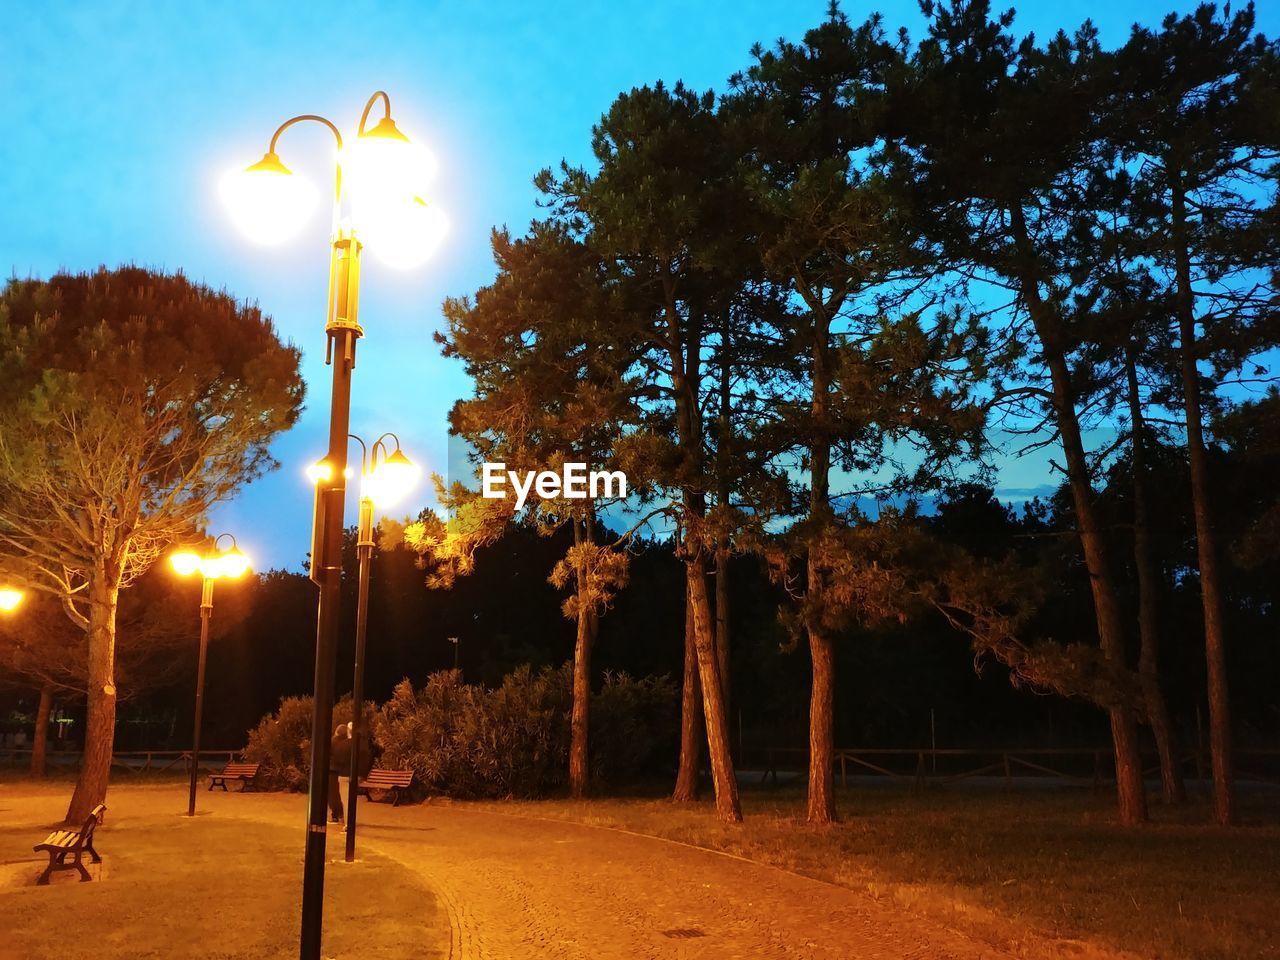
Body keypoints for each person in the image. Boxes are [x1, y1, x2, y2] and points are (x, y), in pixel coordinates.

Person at [328, 724, 351, 823]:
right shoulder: (345, 743)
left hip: (332, 770)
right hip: (342, 771)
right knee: (341, 794)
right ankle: (342, 815)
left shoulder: (333, 742)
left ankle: (335, 816)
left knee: (333, 793)